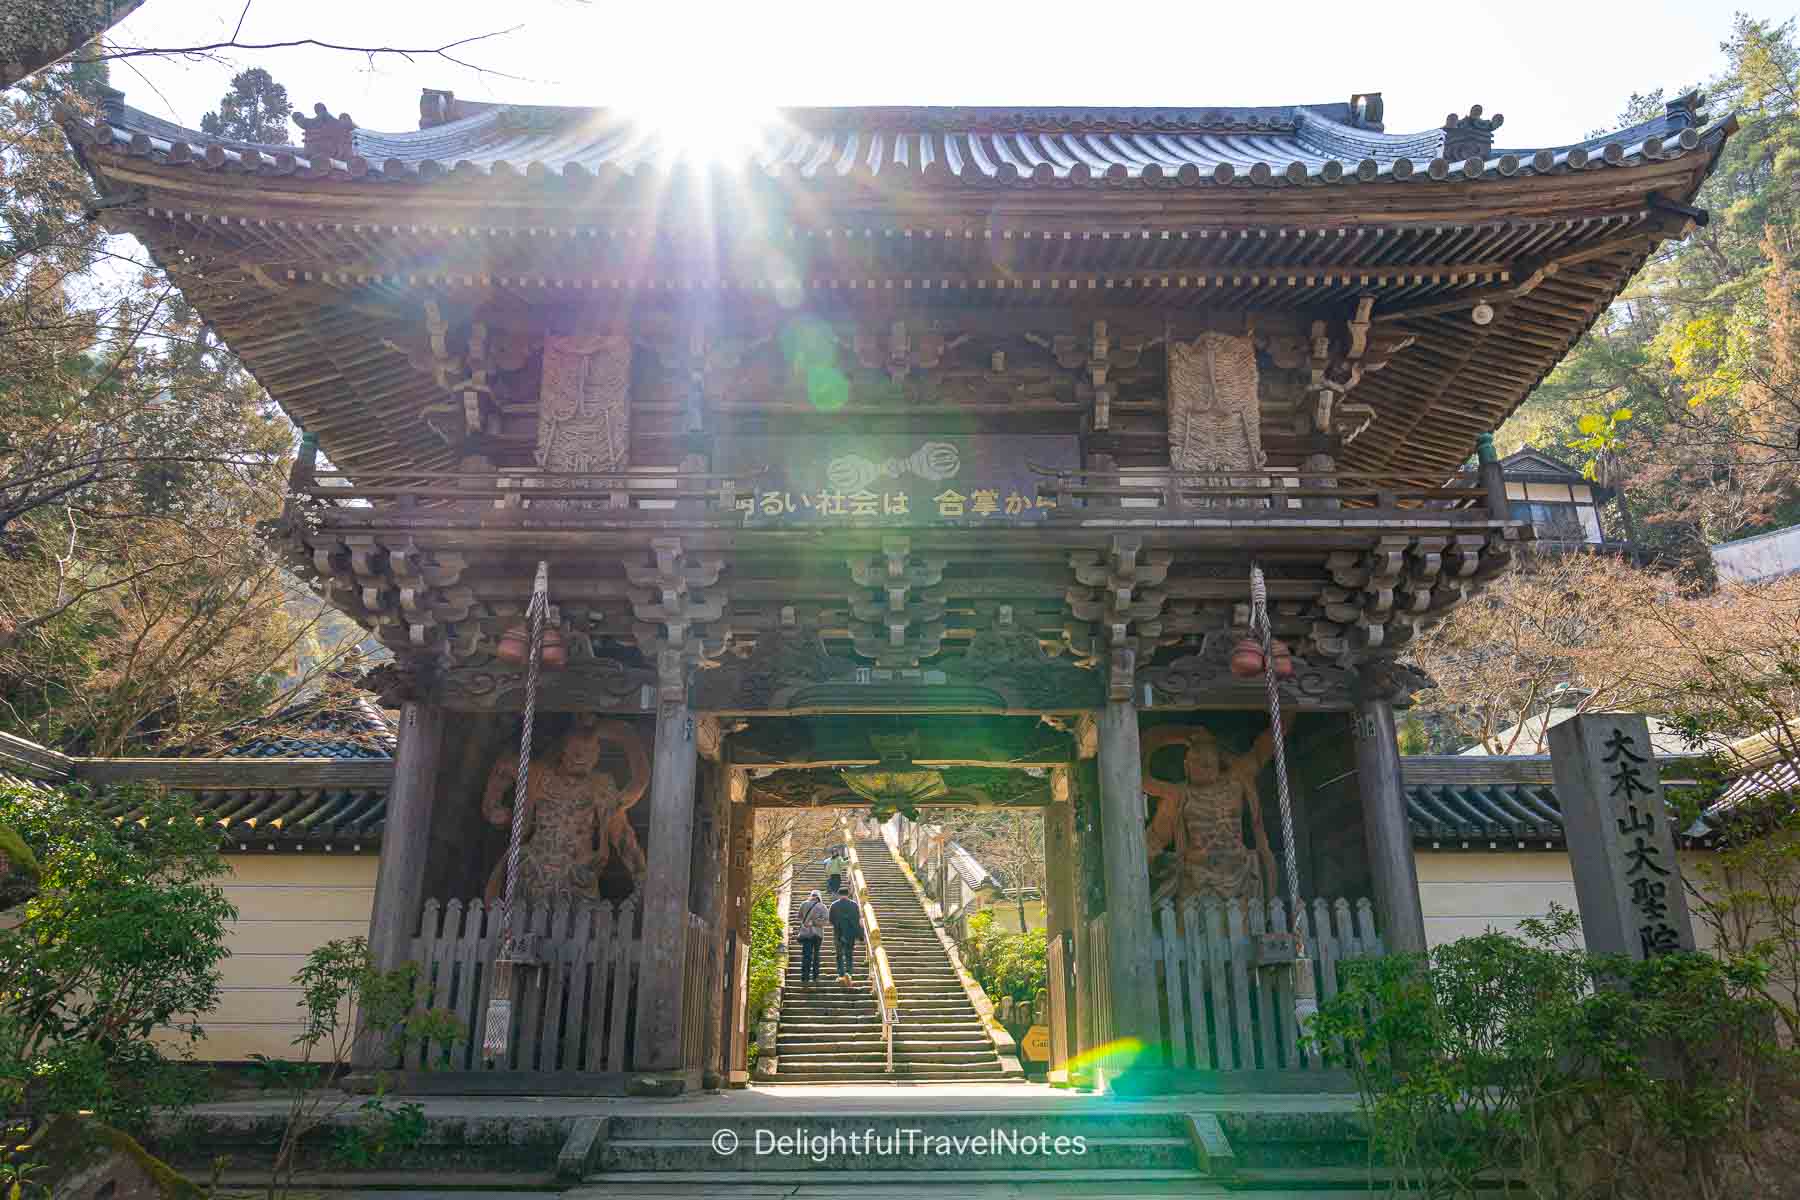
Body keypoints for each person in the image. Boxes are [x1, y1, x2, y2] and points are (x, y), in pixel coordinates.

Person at [827, 885, 863, 986]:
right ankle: (849, 973)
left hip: (838, 933)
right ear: (848, 894)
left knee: (839, 955)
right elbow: (857, 920)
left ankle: (841, 974)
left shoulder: (834, 905)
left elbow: (830, 920)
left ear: (838, 895)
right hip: (850, 934)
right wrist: (860, 934)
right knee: (849, 954)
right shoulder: (854, 905)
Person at [794, 889, 828, 985]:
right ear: (819, 897)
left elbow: (799, 916)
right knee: (816, 955)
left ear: (811, 896)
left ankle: (805, 978)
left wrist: (807, 921)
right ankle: (816, 977)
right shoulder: (822, 906)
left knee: (806, 956)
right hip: (817, 934)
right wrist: (815, 922)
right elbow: (825, 920)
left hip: (806, 933)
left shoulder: (804, 904)